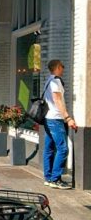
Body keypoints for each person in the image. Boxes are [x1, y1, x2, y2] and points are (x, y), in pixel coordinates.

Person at [43, 59, 77, 190]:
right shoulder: (56, 81)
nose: (63, 69)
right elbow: (57, 100)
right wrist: (68, 118)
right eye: (62, 66)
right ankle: (55, 179)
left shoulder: (48, 81)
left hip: (48, 119)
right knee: (63, 149)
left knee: (49, 149)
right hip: (55, 119)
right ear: (57, 67)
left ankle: (48, 178)